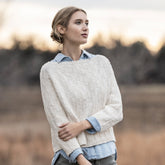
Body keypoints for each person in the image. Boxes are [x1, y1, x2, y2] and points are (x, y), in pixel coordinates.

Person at [40, 6, 123, 165]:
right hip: (70, 156)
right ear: (61, 28)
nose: (85, 27)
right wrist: (79, 158)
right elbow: (57, 121)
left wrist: (82, 125)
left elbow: (116, 109)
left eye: (87, 23)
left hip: (105, 154)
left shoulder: (101, 63)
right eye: (78, 23)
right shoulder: (50, 71)